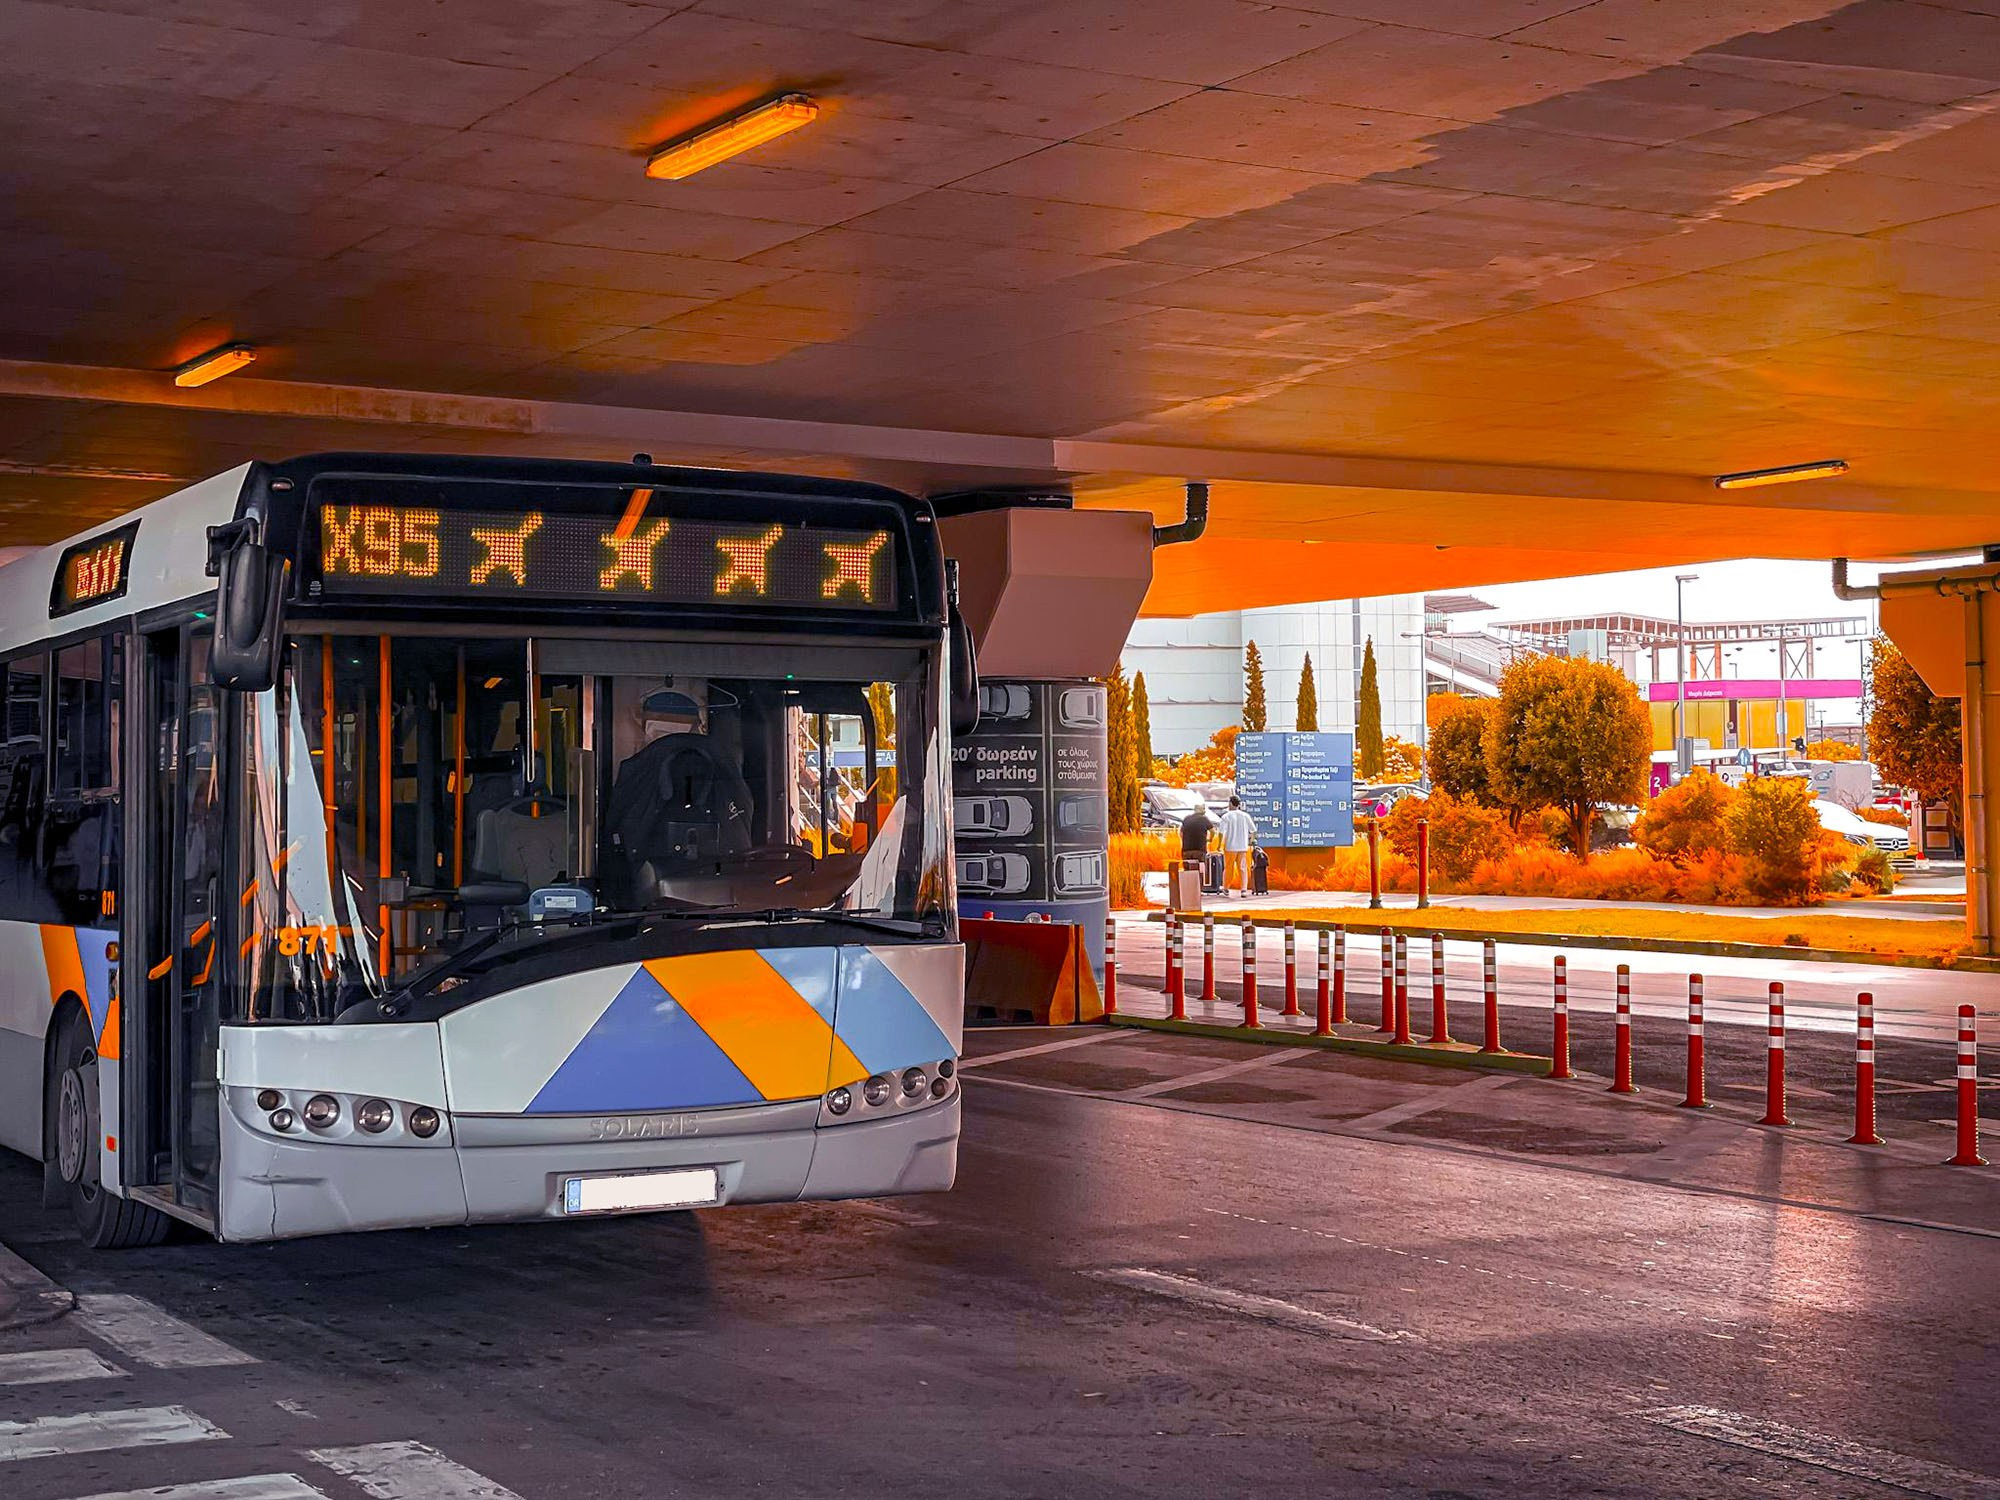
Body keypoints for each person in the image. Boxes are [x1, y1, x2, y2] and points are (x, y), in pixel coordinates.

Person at [1217, 795, 1257, 899]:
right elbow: (1253, 831)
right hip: (1243, 846)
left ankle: (1226, 888)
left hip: (1230, 846)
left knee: (1228, 868)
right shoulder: (1245, 816)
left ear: (1230, 803)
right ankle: (1243, 889)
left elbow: (1221, 832)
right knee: (1243, 868)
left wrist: (1219, 845)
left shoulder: (1226, 816)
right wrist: (1250, 841)